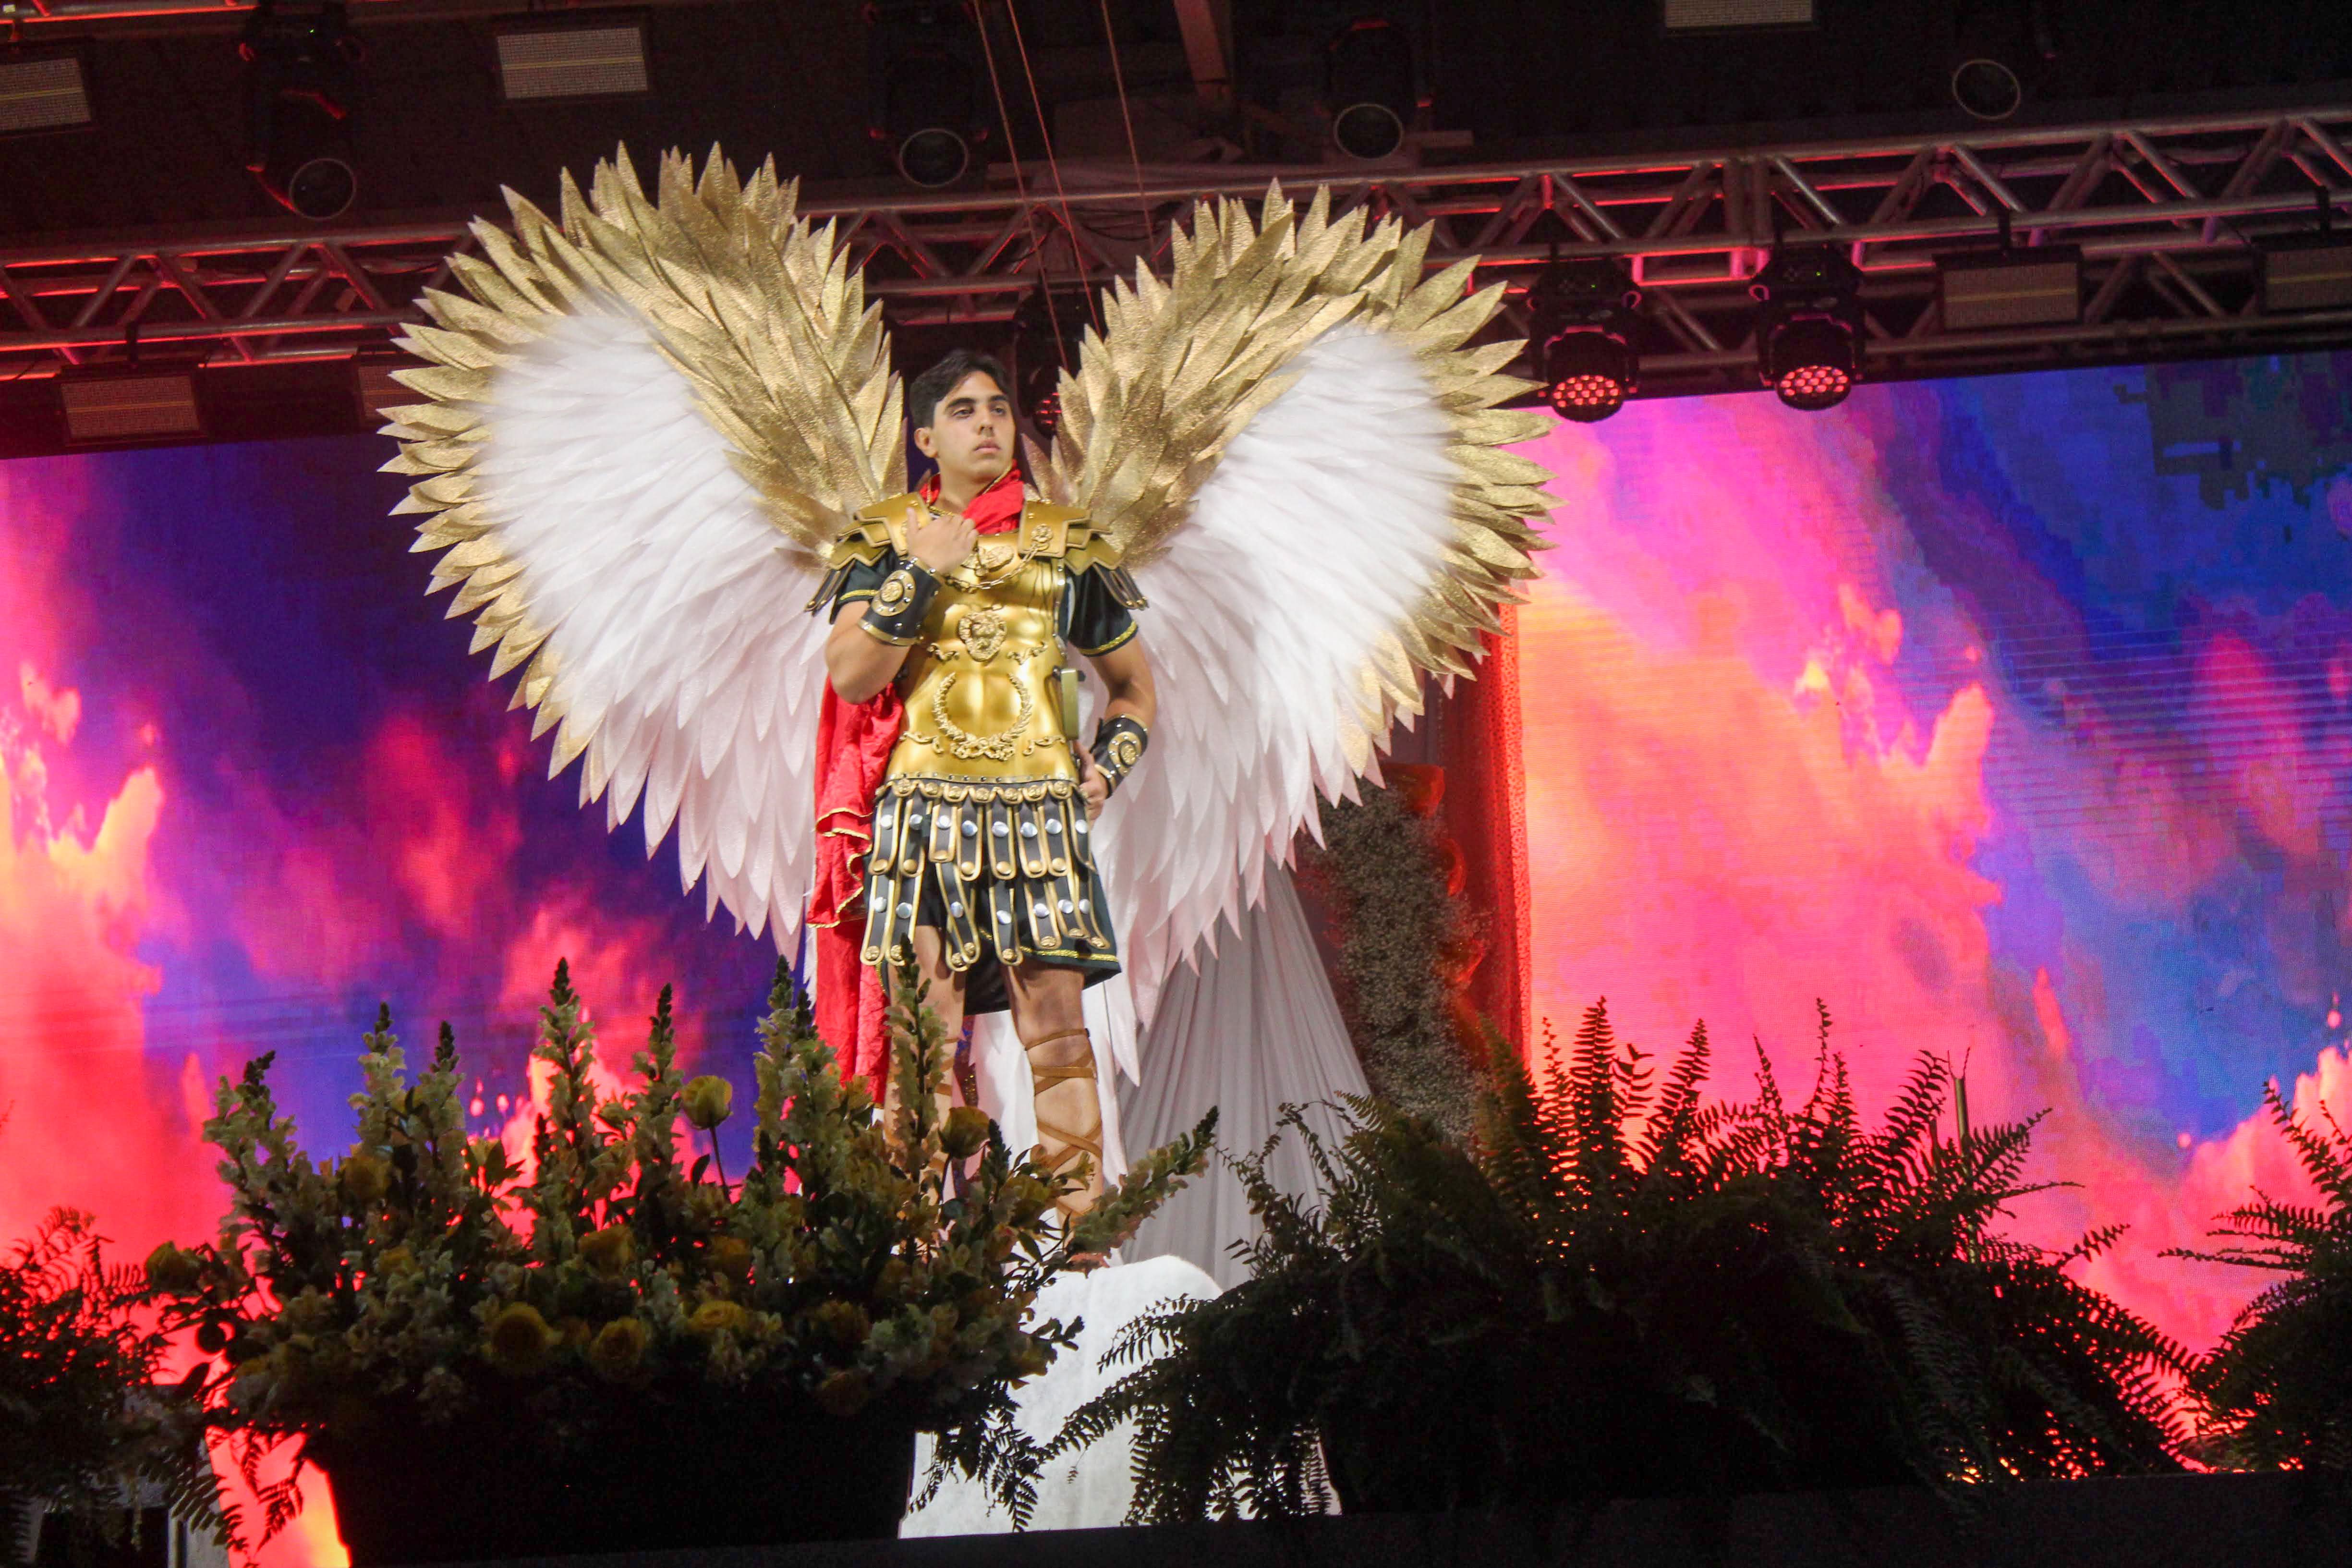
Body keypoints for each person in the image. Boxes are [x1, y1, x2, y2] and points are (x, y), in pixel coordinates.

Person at [812, 349, 1157, 1216]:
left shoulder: (1065, 545)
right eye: (964, 411)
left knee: (1057, 1027)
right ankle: (915, 1248)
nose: (988, 423)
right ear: (925, 437)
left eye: (999, 408)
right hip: (922, 811)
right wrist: (921, 567)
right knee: (924, 1037)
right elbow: (851, 675)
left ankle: (1081, 1239)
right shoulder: (885, 537)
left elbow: (1134, 689)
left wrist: (1105, 766)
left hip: (1039, 811)